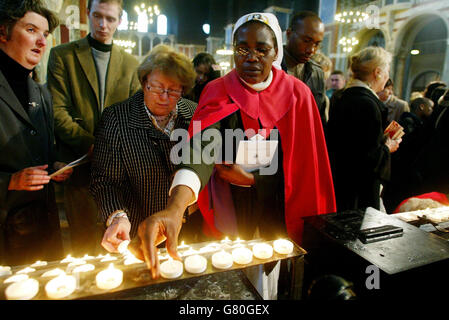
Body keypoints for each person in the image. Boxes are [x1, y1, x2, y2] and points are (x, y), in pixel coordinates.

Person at [128, 12, 336, 279]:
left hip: (277, 205)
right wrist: (175, 207)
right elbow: (200, 148)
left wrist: (255, 180)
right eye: (242, 49)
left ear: (276, 52)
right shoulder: (218, 90)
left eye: (262, 49)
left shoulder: (298, 95)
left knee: (270, 281)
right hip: (231, 205)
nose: (251, 57)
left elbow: (306, 166)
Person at [47, 0, 141, 256]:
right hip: (80, 169)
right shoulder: (63, 55)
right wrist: (92, 144)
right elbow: (57, 111)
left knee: (120, 245)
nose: (103, 24)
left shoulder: (131, 64)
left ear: (120, 20)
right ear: (87, 13)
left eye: (110, 19)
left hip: (119, 174)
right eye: (98, 16)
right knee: (84, 246)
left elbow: (135, 116)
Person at [90, 45, 201, 253]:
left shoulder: (195, 113)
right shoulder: (117, 118)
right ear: (144, 82)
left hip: (190, 230)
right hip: (139, 230)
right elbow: (105, 181)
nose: (164, 97)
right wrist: (117, 216)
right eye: (157, 88)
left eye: (173, 90)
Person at [0, 0, 72, 265]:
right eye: (31, 30)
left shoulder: (41, 93)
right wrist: (10, 180)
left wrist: (56, 166)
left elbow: (44, 152)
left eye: (45, 34)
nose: (42, 42)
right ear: (3, 32)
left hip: (44, 230)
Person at [327, 46, 401, 212]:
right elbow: (366, 157)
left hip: (339, 182)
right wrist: (388, 147)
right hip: (358, 191)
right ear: (377, 72)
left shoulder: (342, 96)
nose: (388, 76)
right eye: (387, 71)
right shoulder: (367, 104)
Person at [382, 97, 434, 212]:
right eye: (430, 108)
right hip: (402, 175)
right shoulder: (409, 123)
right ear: (422, 107)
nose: (432, 111)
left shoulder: (407, 121)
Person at [282, 11, 327, 124]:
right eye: (306, 41)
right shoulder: (270, 68)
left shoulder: (317, 73)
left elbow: (319, 119)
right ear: (288, 34)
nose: (311, 50)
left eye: (317, 44)